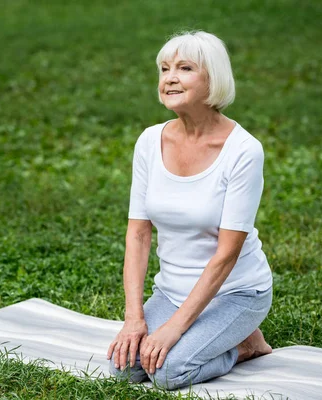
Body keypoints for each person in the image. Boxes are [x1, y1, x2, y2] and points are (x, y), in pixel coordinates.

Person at [106, 30, 274, 390]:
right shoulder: (150, 141)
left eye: (184, 68)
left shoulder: (243, 151)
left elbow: (226, 255)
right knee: (124, 370)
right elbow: (137, 233)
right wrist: (134, 318)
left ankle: (245, 344)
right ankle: (217, 337)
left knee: (168, 373)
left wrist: (174, 329)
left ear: (213, 78)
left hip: (235, 292)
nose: (169, 78)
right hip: (171, 290)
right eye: (164, 69)